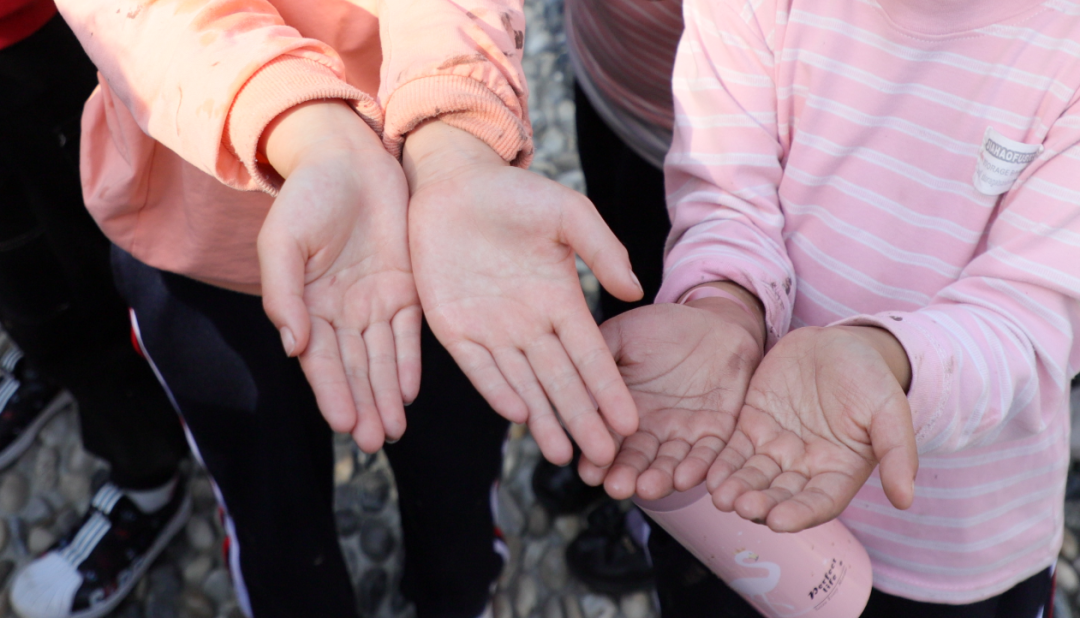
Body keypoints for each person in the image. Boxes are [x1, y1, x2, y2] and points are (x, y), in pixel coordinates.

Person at [49, 0, 643, 614]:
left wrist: (452, 133)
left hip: (432, 232)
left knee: (454, 487)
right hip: (194, 243)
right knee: (269, 510)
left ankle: (458, 599)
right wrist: (300, 122)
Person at [587, 0, 1080, 615]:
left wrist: (888, 359)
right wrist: (723, 306)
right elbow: (727, 198)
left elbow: (1030, 320)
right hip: (731, 482)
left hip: (948, 542)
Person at [0, 5, 192, 617]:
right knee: (23, 279)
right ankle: (43, 364)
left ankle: (148, 479)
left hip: (36, 38)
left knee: (80, 274)